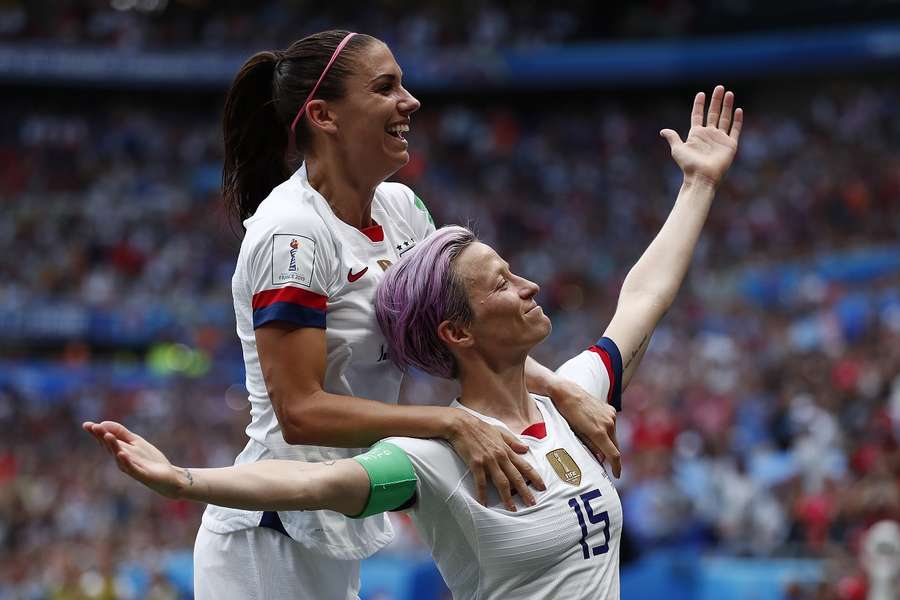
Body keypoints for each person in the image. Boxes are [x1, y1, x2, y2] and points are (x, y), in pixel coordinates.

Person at [85, 86, 743, 599]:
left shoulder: (575, 402)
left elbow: (642, 300)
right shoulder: (434, 456)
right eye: (503, 283)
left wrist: (698, 184)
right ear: (457, 331)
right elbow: (312, 484)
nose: (531, 285)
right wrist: (182, 481)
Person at [208, 28, 620, 600]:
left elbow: (456, 333)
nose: (411, 101)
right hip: (269, 533)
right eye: (386, 87)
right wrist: (449, 422)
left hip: (333, 521)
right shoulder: (292, 235)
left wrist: (561, 391)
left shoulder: (402, 207)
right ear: (325, 116)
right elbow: (300, 411)